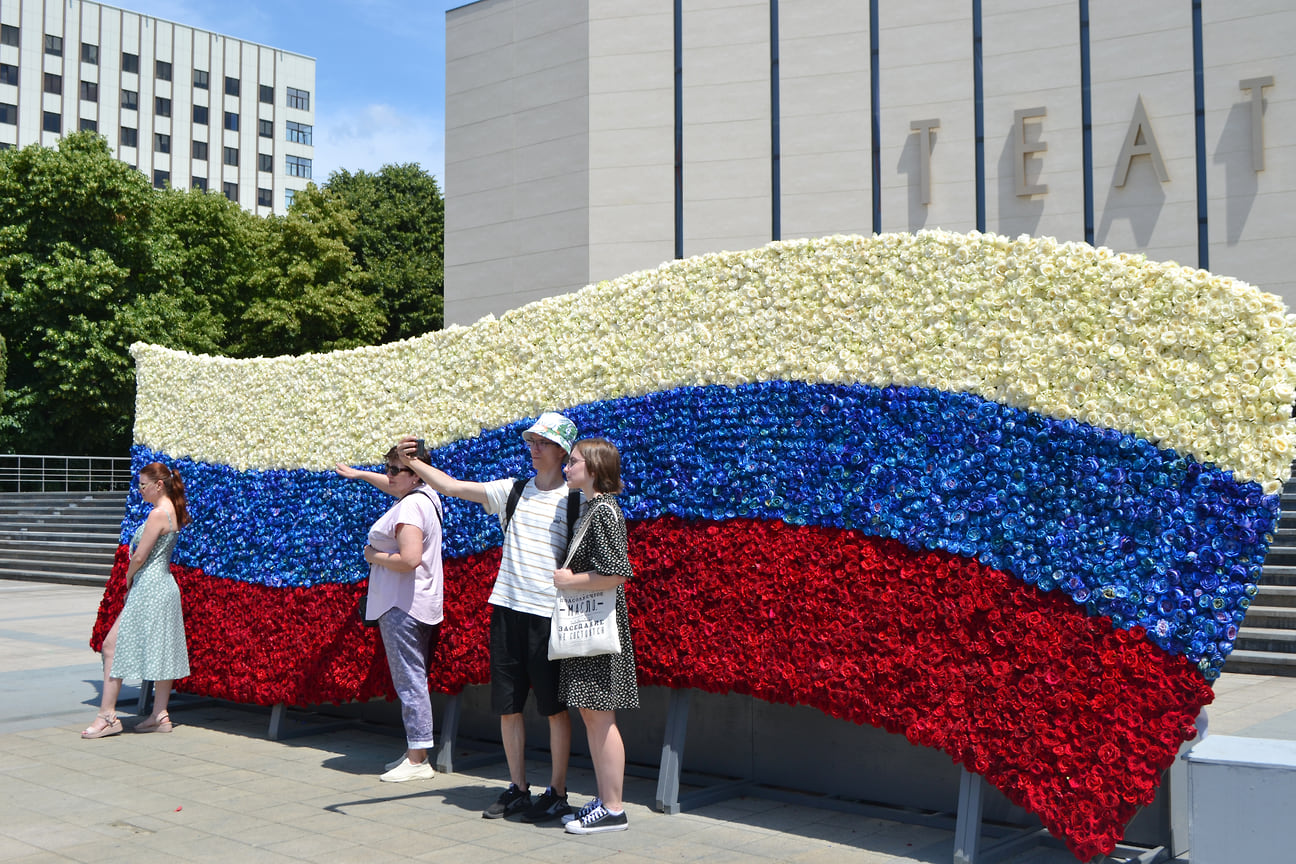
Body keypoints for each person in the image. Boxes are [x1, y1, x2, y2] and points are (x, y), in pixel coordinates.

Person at [395, 412, 580, 822]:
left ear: (563, 451)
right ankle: (517, 788)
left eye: (542, 442)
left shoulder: (576, 500)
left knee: (554, 709)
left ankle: (558, 792)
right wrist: (414, 464)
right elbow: (452, 486)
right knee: (508, 706)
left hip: (549, 617)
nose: (533, 447)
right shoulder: (511, 491)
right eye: (531, 440)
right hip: (507, 610)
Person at [336, 446, 445, 782]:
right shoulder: (424, 496)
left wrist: (374, 556)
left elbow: (409, 559)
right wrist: (360, 474)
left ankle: (418, 759)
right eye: (388, 468)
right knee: (413, 679)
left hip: (402, 605)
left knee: (410, 681)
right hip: (415, 603)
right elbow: (391, 484)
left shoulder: (411, 505)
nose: (390, 474)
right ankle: (417, 750)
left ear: (416, 474)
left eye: (397, 469)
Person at [554, 438, 639, 835]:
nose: (566, 468)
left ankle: (613, 807)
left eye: (573, 462)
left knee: (600, 716)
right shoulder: (593, 508)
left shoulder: (603, 511)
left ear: (594, 468)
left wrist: (570, 580)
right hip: (593, 626)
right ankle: (606, 799)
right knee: (593, 715)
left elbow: (618, 572)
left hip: (599, 628)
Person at [83, 462, 193, 738]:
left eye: (143, 485)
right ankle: (160, 714)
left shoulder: (158, 514)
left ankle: (107, 715)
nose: (140, 490)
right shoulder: (174, 511)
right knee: (162, 649)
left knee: (111, 645)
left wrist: (128, 577)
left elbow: (140, 556)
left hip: (149, 587)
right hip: (166, 586)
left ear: (158, 485)